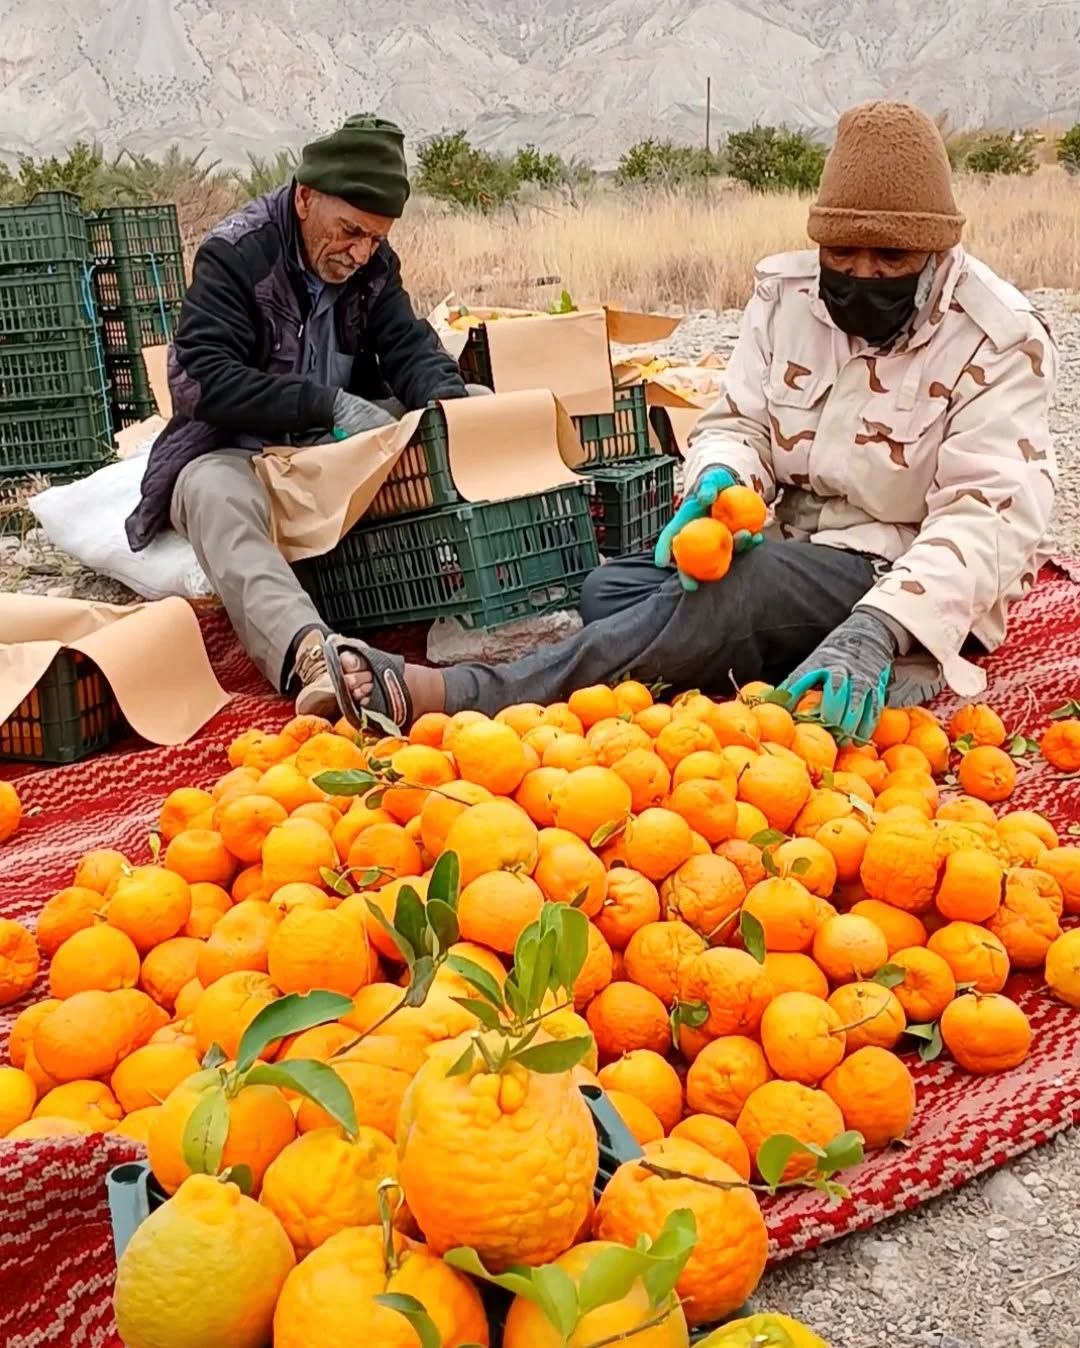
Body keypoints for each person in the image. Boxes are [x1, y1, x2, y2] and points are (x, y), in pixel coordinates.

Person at [316, 101, 1059, 738]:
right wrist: (718, 484)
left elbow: (986, 520)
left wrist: (880, 621)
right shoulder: (790, 295)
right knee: (609, 593)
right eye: (842, 252)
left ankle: (470, 695)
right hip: (790, 544)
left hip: (896, 565)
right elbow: (737, 422)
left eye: (890, 259)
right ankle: (767, 647)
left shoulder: (997, 338)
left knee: (745, 591)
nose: (861, 275)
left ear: (938, 250)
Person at [124, 114, 487, 710]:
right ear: (304, 198)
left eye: (374, 238)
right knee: (208, 492)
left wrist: (450, 409)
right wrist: (324, 403)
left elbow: (408, 345)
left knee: (472, 407)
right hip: (241, 447)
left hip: (333, 446)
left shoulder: (372, 264)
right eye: (349, 231)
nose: (359, 252)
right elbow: (202, 382)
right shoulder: (236, 254)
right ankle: (311, 655)